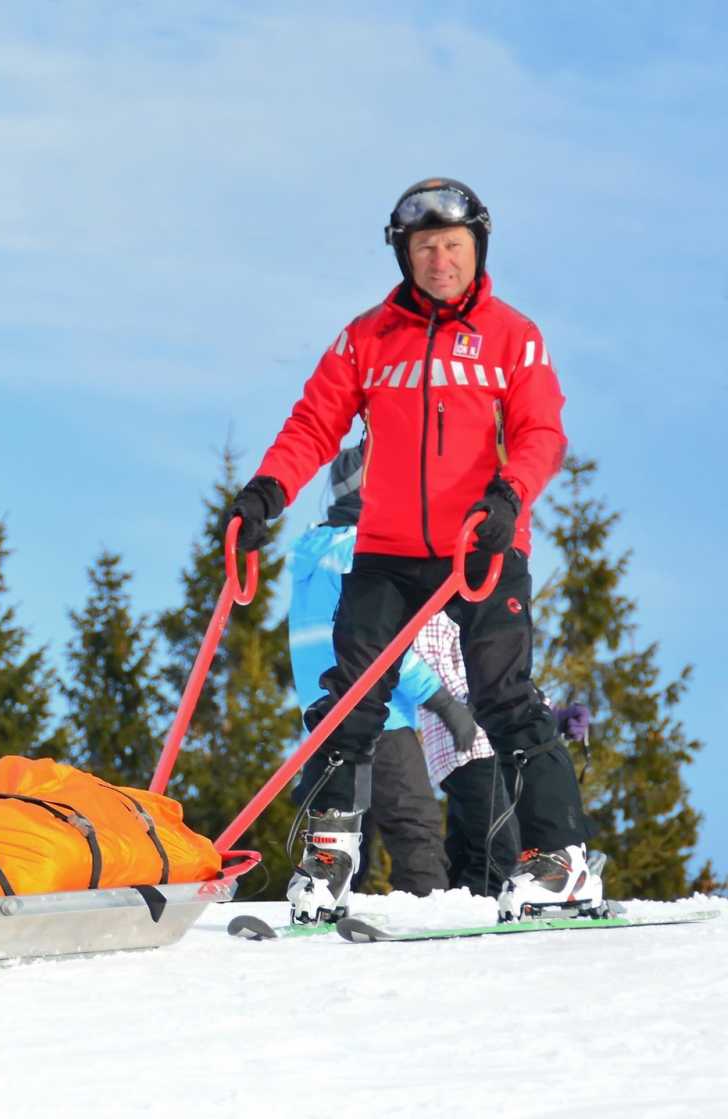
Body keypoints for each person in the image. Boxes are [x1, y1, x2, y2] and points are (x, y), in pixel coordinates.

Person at [228, 177, 602, 923]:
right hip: (388, 551)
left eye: (454, 247)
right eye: (425, 247)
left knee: (505, 697)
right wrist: (269, 488)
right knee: (350, 702)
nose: (440, 261)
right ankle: (330, 854)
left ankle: (560, 860)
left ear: (477, 251)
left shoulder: (512, 336)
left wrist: (509, 496)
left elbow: (542, 432)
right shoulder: (368, 337)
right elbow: (314, 422)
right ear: (404, 253)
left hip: (482, 546)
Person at [286, 445, 477, 904]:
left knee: (346, 832)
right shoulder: (359, 550)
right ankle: (429, 914)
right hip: (380, 713)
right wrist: (443, 702)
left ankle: (327, 909)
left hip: (325, 715)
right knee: (415, 827)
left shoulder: (309, 556)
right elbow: (379, 647)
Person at [412, 611, 595, 896]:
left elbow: (505, 683)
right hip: (468, 745)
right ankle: (482, 912)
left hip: (486, 746)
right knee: (500, 853)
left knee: (472, 849)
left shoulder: (477, 612)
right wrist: (522, 714)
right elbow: (441, 676)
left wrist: (550, 716)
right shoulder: (436, 609)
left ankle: (457, 909)